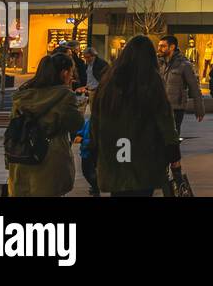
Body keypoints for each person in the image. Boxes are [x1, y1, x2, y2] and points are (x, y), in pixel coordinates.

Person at [93, 35, 183, 197]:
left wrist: (93, 147)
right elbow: (165, 120)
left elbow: (96, 119)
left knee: (119, 191)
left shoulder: (109, 81)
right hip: (143, 156)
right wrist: (173, 153)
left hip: (115, 153)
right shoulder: (150, 81)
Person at [6, 53, 84, 197]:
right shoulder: (64, 96)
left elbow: (13, 124)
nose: (72, 76)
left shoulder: (23, 95)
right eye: (71, 72)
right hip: (50, 157)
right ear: (64, 73)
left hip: (21, 155)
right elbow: (76, 124)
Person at [157, 33, 204, 140]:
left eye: (163, 46)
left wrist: (199, 109)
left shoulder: (184, 65)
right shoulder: (159, 64)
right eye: (159, 46)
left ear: (172, 47)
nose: (159, 49)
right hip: (160, 106)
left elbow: (194, 88)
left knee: (172, 136)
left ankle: (172, 155)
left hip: (176, 107)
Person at [74, 114, 99, 196]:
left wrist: (82, 141)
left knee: (88, 172)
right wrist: (79, 134)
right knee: (88, 172)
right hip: (86, 152)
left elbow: (96, 141)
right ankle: (95, 187)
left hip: (91, 152)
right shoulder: (91, 120)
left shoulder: (98, 122)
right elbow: (84, 128)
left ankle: (96, 189)